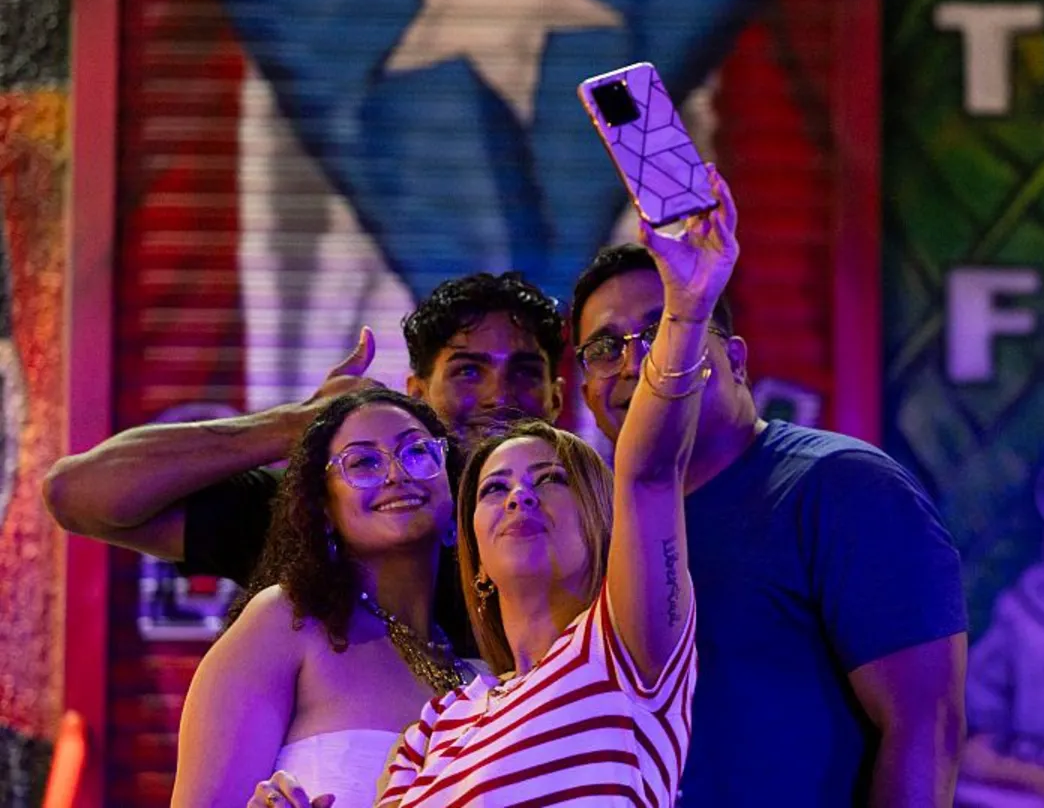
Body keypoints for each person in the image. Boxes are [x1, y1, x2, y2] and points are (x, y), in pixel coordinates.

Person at [256, 165, 737, 808]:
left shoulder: (630, 657)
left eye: (550, 478)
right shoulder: (439, 723)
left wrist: (687, 309)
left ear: (603, 528)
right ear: (472, 554)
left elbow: (649, 472)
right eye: (492, 489)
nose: (520, 496)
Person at [569, 236, 970, 804]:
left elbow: (925, 728)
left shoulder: (842, 486)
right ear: (584, 389)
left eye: (669, 329)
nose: (638, 363)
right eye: (606, 347)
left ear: (735, 359)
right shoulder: (595, 529)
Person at [42, 271, 566, 651]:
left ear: (557, 400)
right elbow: (79, 493)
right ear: (417, 396)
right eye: (469, 372)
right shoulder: (321, 520)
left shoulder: (598, 524)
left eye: (524, 371)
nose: (501, 395)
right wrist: (304, 425)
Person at [172, 388, 477, 808]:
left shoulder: (486, 674)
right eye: (363, 462)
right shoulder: (287, 621)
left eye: (416, 452)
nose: (395, 473)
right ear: (324, 512)